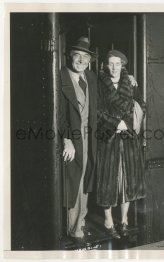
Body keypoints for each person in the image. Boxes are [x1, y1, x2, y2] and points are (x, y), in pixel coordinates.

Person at [96, 50, 146, 239]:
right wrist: (115, 123)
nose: (114, 67)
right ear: (106, 65)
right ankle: (108, 221)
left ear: (123, 66)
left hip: (129, 138)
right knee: (108, 182)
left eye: (118, 64)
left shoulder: (131, 83)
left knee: (128, 181)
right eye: (111, 63)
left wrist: (132, 123)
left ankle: (123, 220)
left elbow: (142, 104)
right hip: (109, 138)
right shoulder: (98, 84)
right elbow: (96, 110)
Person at [60, 37, 97, 244]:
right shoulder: (60, 77)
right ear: (69, 57)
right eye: (77, 56)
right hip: (71, 139)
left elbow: (112, 78)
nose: (81, 60)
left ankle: (79, 224)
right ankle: (71, 229)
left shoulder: (90, 77)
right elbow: (57, 113)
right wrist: (66, 139)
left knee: (84, 179)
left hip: (88, 138)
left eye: (85, 57)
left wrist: (129, 78)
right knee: (72, 182)